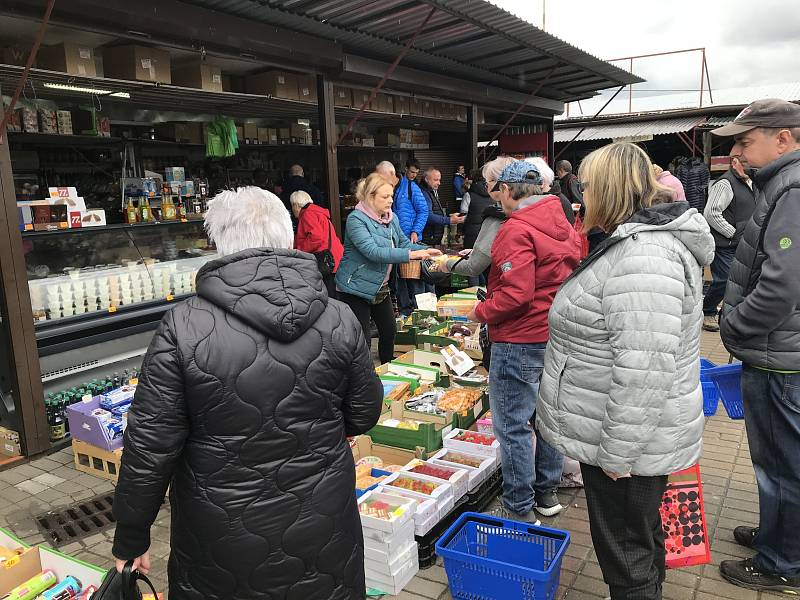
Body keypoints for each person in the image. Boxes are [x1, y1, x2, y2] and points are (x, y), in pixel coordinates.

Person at [112, 186, 383, 599]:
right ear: (286, 235)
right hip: (323, 517)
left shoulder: (183, 325)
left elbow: (150, 445)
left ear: (219, 242)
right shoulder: (338, 315)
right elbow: (364, 412)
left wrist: (132, 536)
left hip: (221, 531)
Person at [536, 142, 714, 600]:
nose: (580, 197)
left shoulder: (643, 257)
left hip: (624, 444)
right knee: (638, 540)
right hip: (622, 437)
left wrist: (618, 454)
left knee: (626, 554)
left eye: (588, 187)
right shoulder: (630, 245)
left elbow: (643, 370)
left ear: (610, 191)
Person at [711, 99, 800, 594]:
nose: (737, 153)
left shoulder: (791, 187)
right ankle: (776, 537)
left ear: (783, 138)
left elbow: (783, 285)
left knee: (784, 465)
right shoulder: (782, 184)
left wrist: (738, 324)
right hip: (779, 352)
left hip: (779, 359)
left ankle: (781, 563)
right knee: (776, 462)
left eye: (745, 142)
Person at [467, 160, 582, 522]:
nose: (497, 198)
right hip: (553, 334)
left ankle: (518, 507)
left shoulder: (516, 229)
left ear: (510, 190)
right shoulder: (560, 220)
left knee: (514, 426)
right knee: (546, 419)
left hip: (518, 339)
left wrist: (480, 312)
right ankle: (546, 494)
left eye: (498, 190)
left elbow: (515, 294)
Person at [336, 173, 441, 363]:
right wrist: (411, 255)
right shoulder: (356, 220)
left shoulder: (392, 219)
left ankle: (388, 369)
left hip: (380, 286)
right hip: (355, 287)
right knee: (362, 339)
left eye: (391, 196)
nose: (390, 201)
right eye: (385, 197)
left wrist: (426, 249)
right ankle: (365, 379)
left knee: (389, 330)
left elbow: (403, 243)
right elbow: (373, 252)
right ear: (370, 196)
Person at [700, 156, 756, 332]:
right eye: (744, 164)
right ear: (734, 163)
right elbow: (711, 213)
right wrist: (732, 232)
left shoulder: (750, 182)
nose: (748, 168)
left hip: (742, 242)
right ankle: (707, 311)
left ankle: (726, 313)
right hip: (725, 243)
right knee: (723, 279)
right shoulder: (725, 183)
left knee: (739, 280)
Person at [292, 190, 345, 298]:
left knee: (329, 298)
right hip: (335, 259)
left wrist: (298, 249)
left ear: (296, 205)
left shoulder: (307, 214)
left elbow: (316, 238)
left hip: (326, 262)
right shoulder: (317, 212)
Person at [393, 160, 429, 315]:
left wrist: (415, 230)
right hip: (396, 239)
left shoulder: (412, 188)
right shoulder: (395, 188)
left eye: (416, 173)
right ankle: (404, 309)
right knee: (399, 277)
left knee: (414, 277)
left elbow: (423, 211)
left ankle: (420, 310)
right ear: (405, 169)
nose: (414, 175)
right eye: (412, 172)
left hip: (410, 238)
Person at [420, 168, 466, 247]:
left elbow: (435, 211)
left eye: (439, 180)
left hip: (433, 237)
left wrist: (449, 217)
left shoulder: (431, 191)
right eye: (436, 180)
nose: (439, 183)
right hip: (428, 237)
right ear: (426, 179)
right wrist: (449, 220)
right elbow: (428, 216)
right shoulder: (424, 193)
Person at [527, 157, 575, 225]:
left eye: (527, 180)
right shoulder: (556, 199)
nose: (523, 187)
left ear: (541, 182)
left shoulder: (556, 203)